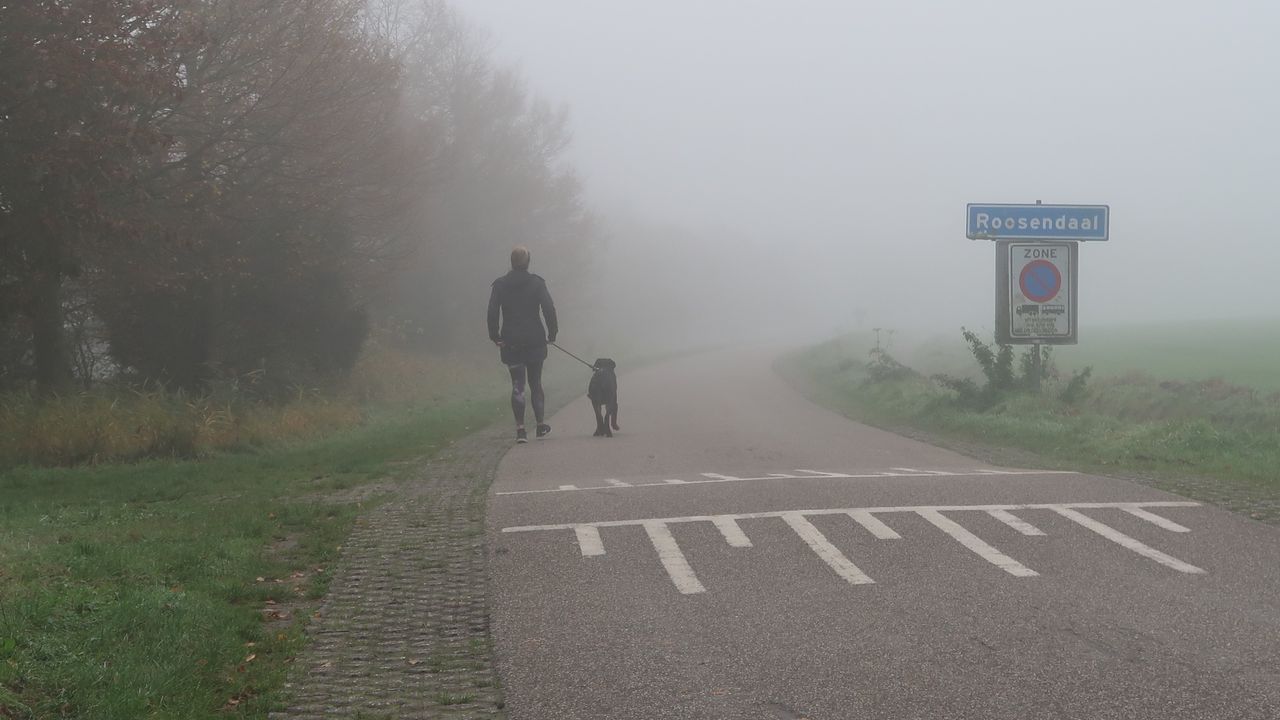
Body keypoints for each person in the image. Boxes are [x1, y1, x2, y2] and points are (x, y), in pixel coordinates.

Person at [487, 246, 558, 443]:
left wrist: (495, 336)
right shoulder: (537, 283)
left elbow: (492, 312)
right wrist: (552, 334)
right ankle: (541, 424)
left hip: (511, 342)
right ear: (528, 262)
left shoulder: (500, 285)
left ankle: (520, 430)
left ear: (511, 262)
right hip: (535, 340)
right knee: (535, 383)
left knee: (517, 385)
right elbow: (549, 309)